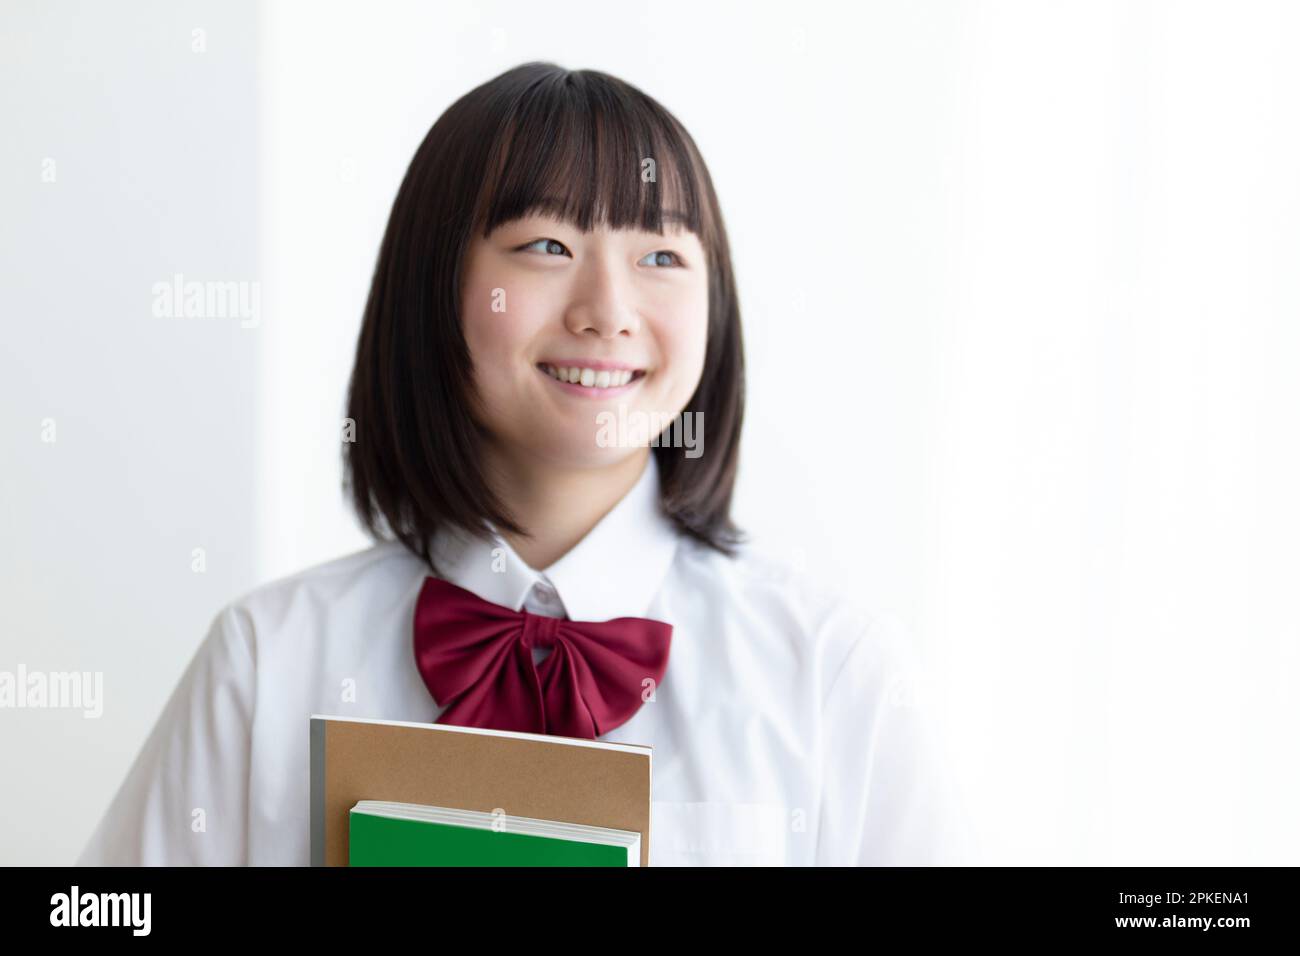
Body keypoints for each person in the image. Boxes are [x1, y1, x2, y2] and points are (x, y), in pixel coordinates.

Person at [76, 61, 974, 866]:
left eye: (661, 255)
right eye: (547, 246)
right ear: (436, 283)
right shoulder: (267, 661)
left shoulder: (833, 677)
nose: (608, 310)